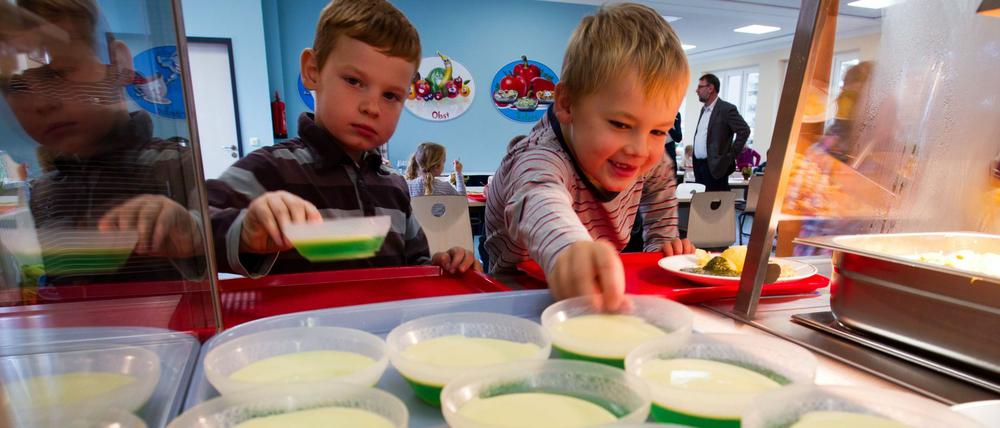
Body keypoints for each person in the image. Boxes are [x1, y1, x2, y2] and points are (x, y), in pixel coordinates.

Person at [207, 0, 478, 278]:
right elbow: (191, 228)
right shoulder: (270, 169)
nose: (372, 108)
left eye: (390, 96)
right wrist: (245, 229)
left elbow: (413, 265)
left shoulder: (394, 186)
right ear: (312, 70)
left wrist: (443, 265)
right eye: (353, 81)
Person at [484, 3, 695, 310]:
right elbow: (539, 198)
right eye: (621, 124)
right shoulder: (539, 156)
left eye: (658, 131)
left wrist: (666, 250)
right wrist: (569, 249)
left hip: (595, 293)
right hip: (516, 296)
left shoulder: (655, 162)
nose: (640, 149)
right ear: (567, 104)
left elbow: (660, 241)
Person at [2, 0, 203, 285]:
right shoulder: (45, 191)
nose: (41, 104)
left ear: (118, 64)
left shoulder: (176, 165)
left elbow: (220, 249)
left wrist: (191, 230)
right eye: (16, 87)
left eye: (60, 72)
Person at [692, 73, 750, 191]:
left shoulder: (726, 109)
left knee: (713, 206)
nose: (696, 90)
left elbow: (744, 130)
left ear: (710, 88)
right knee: (699, 206)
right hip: (699, 167)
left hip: (716, 167)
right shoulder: (703, 110)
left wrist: (730, 156)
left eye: (700, 87)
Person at [665, 112, 682, 181]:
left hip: (669, 149)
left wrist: (668, 126)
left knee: (672, 181)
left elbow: (678, 138)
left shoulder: (676, 114)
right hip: (654, 150)